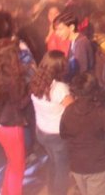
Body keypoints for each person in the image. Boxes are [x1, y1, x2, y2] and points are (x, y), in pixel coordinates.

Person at [58, 73, 105, 195]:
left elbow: (63, 134)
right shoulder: (102, 112)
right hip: (97, 166)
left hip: (77, 166)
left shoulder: (69, 111)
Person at [0, 38, 32, 195]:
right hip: (11, 126)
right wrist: (31, 91)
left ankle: (5, 192)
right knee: (18, 167)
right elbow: (20, 104)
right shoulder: (13, 79)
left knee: (12, 162)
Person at [29, 51, 72, 195]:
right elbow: (73, 109)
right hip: (57, 136)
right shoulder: (59, 88)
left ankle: (51, 191)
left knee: (53, 162)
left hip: (42, 131)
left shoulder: (35, 82)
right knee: (62, 169)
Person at [53, 10, 94, 81]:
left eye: (60, 29)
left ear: (71, 27)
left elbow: (82, 72)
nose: (57, 33)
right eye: (56, 30)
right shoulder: (74, 41)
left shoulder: (81, 43)